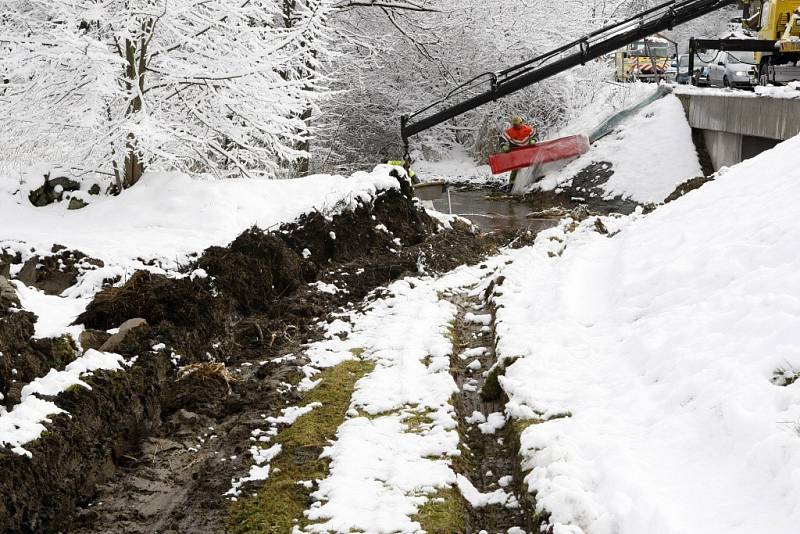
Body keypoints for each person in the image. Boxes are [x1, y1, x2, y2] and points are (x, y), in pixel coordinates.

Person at [500, 116, 537, 188]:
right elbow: (502, 139)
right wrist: (504, 146)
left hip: (527, 151)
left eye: (517, 124)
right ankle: (512, 183)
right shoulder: (509, 132)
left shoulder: (528, 129)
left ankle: (533, 179)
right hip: (516, 151)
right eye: (514, 125)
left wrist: (534, 140)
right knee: (516, 167)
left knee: (532, 164)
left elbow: (535, 135)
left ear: (521, 123)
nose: (516, 126)